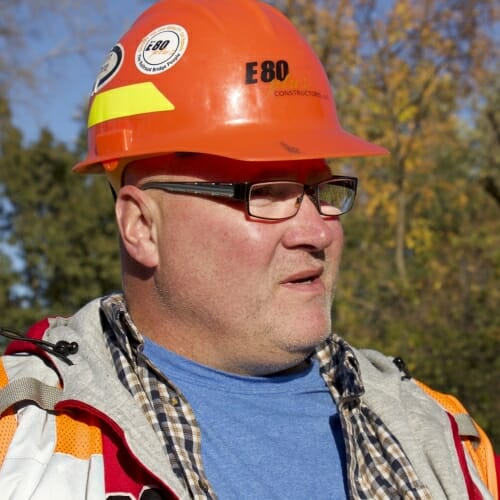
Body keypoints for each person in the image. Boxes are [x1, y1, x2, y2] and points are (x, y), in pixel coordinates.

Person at [0, 1, 497, 498]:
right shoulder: (21, 440)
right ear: (141, 226)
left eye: (321, 190)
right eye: (267, 193)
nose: (318, 232)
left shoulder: (448, 439)